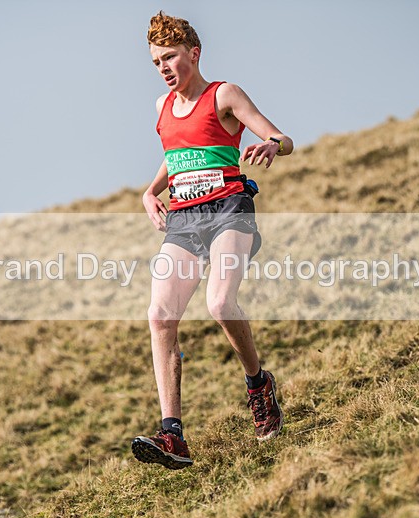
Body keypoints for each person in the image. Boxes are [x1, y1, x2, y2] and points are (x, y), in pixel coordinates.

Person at [131, 11, 294, 470]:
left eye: (170, 58)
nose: (163, 68)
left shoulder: (223, 94)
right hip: (184, 219)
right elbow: (178, 154)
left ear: (194, 54)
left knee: (220, 305)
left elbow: (282, 136)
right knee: (160, 315)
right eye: (156, 62)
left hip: (229, 212)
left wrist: (272, 145)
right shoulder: (160, 108)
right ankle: (172, 435)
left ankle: (259, 385)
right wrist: (150, 192)